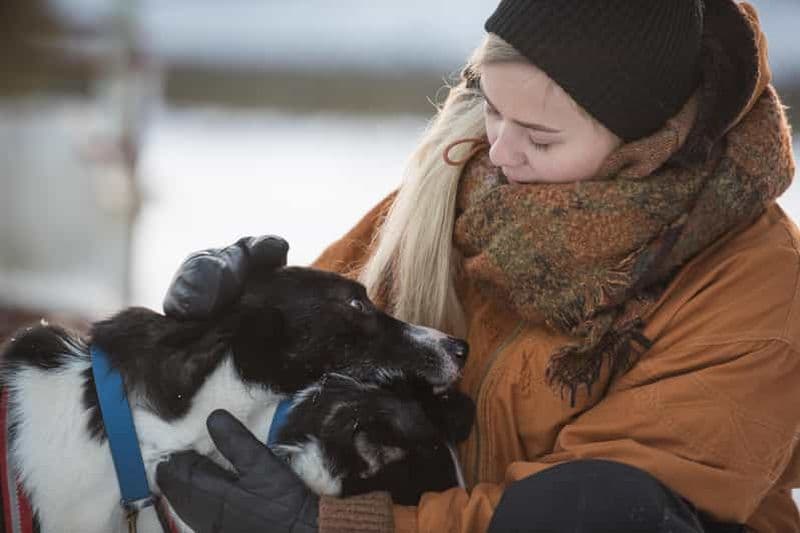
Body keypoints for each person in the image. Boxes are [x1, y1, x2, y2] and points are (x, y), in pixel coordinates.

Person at [155, 0, 800, 531]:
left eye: (541, 137)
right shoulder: (475, 180)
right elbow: (333, 337)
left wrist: (342, 526)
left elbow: (596, 515)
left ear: (647, 143)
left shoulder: (756, 292)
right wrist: (238, 314)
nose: (500, 150)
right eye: (492, 109)